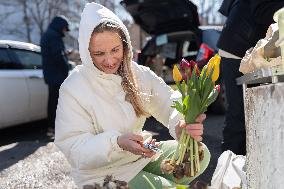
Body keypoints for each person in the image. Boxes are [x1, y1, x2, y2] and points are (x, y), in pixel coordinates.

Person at [54, 3, 210, 189]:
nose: (110, 60)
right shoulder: (74, 87)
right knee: (163, 186)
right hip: (101, 172)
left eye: (115, 50)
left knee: (199, 156)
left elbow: (168, 101)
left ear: (125, 45)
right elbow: (74, 148)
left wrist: (180, 124)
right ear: (87, 53)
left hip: (139, 156)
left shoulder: (138, 73)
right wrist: (117, 143)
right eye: (99, 53)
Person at [217, 0, 284, 155]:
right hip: (237, 47)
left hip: (246, 46)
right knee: (239, 113)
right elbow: (262, 10)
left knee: (250, 112)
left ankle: (246, 165)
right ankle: (229, 169)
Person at [40, 15, 70, 136]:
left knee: (53, 101)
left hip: (51, 74)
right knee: (56, 102)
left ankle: (51, 128)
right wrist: (66, 68)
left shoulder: (48, 34)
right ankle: (52, 128)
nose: (64, 32)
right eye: (64, 29)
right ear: (60, 26)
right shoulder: (54, 36)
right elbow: (58, 56)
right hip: (56, 75)